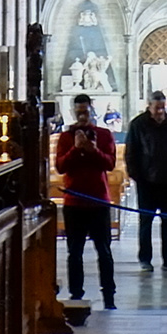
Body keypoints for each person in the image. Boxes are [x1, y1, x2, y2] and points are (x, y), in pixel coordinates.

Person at [52, 93, 119, 303]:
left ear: (91, 111)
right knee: (74, 252)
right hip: (74, 201)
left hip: (98, 199)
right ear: (74, 112)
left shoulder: (104, 135)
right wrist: (75, 148)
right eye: (79, 112)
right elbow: (61, 167)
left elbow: (109, 164)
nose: (82, 116)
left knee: (104, 250)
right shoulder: (66, 137)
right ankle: (76, 294)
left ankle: (109, 293)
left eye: (85, 112)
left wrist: (92, 150)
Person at [123, 88, 167, 271]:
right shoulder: (138, 124)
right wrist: (137, 176)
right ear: (149, 106)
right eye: (157, 108)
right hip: (147, 181)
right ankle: (145, 259)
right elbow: (131, 152)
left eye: (162, 107)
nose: (160, 111)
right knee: (146, 221)